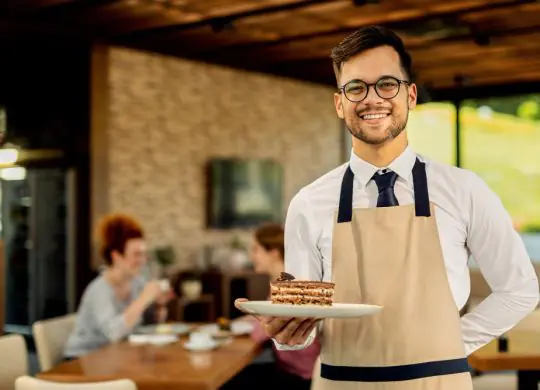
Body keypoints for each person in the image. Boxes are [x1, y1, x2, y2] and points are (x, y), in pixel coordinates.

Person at [236, 26, 539, 390]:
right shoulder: (308, 202)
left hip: (438, 383)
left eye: (387, 84)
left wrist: (451, 342)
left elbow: (519, 289)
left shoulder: (464, 190)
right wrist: (285, 333)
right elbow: (301, 322)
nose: (372, 98)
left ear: (410, 95)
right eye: (356, 87)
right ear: (339, 103)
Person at [224, 223, 319, 390]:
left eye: (256, 250)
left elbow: (259, 334)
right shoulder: (287, 278)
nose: (251, 256)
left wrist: (250, 322)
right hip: (292, 369)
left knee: (230, 382)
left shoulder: (289, 285)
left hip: (299, 376)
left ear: (273, 252)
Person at [63, 213, 173, 359]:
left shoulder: (137, 282)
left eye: (144, 254)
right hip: (82, 361)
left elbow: (145, 324)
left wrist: (159, 306)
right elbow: (113, 334)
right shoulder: (99, 290)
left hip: (114, 358)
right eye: (136, 254)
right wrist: (144, 298)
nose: (142, 260)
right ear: (116, 256)